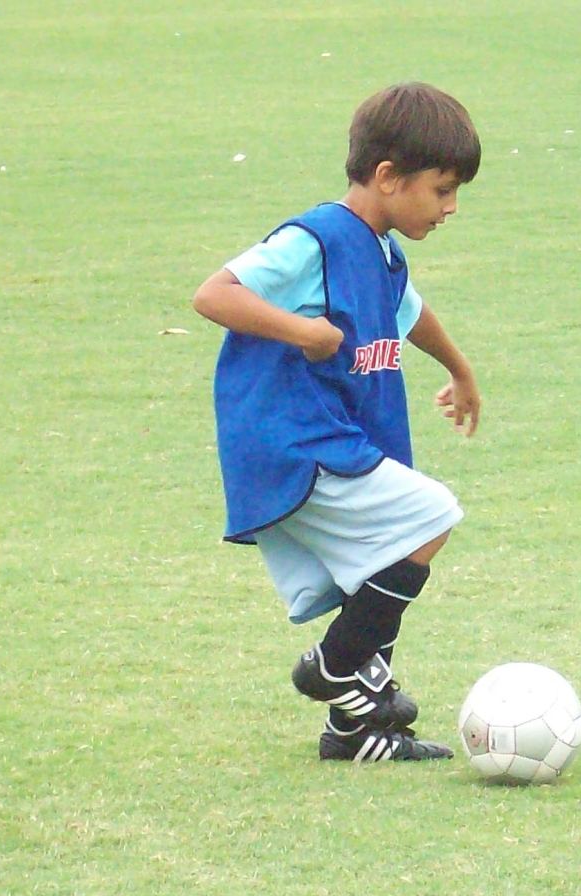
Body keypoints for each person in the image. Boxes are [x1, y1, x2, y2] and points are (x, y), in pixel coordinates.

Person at [193, 82, 481, 763]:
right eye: (441, 190)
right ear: (387, 177)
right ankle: (332, 668)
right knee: (431, 516)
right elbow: (212, 295)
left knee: (380, 562)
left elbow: (410, 313)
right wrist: (302, 331)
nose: (451, 207)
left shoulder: (381, 251)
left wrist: (460, 370)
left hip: (332, 438)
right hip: (295, 441)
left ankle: (356, 732)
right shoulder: (315, 239)